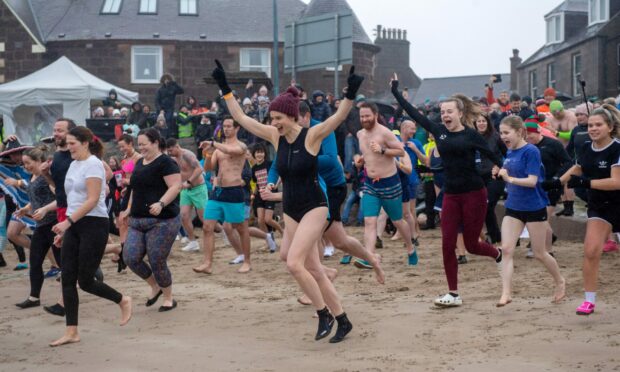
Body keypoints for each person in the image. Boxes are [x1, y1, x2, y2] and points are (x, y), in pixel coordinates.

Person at [210, 60, 364, 343]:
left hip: (315, 207)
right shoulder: (274, 137)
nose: (273, 123)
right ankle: (342, 319)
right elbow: (243, 119)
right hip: (291, 208)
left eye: (279, 118)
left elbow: (338, 117)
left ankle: (323, 314)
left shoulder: (312, 136)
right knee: (314, 269)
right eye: (271, 119)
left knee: (294, 263)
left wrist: (351, 92)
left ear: (292, 117)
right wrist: (225, 89)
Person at [391, 74, 502, 307]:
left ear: (460, 114)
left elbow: (495, 157)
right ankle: (453, 292)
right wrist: (395, 92)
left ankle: (497, 254)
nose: (445, 115)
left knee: (472, 245)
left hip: (474, 193)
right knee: (447, 243)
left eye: (449, 111)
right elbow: (414, 114)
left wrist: (503, 170)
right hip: (450, 195)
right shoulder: (438, 131)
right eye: (443, 112)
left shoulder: (471, 135)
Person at [50, 127, 131, 347]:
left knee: (85, 281)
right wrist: (66, 229)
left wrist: (68, 222)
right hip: (74, 223)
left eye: (72, 143)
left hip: (93, 224)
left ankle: (122, 300)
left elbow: (93, 199)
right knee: (67, 278)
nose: (69, 148)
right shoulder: (73, 164)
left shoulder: (94, 164)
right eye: (67, 144)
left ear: (85, 142)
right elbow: (73, 200)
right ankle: (72, 331)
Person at [544, 104, 620, 316]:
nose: (593, 129)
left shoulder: (617, 148)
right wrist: (557, 182)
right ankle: (589, 300)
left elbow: (616, 182)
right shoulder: (586, 147)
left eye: (599, 125)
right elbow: (578, 168)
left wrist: (587, 183)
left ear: (610, 127)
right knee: (591, 251)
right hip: (600, 207)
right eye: (591, 125)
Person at [495, 116, 565, 306]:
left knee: (540, 252)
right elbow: (508, 170)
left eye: (506, 133)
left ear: (519, 132)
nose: (503, 137)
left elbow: (532, 181)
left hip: (534, 206)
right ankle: (506, 293)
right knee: (507, 250)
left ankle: (559, 281)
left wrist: (509, 179)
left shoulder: (531, 151)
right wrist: (499, 172)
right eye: (501, 133)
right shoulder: (509, 151)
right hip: (513, 206)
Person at [121, 128, 182, 311]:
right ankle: (154, 285)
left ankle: (169, 297)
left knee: (156, 259)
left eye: (144, 144)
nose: (141, 148)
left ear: (155, 142)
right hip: (137, 221)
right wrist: (128, 209)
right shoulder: (139, 162)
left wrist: (161, 203)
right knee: (130, 257)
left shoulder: (166, 163)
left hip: (162, 221)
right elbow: (134, 189)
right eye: (139, 144)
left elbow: (176, 186)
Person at [356, 101, 415, 268]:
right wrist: (361, 160)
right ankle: (369, 257)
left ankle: (410, 248)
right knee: (369, 221)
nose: (364, 119)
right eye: (361, 116)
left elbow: (401, 151)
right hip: (370, 184)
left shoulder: (385, 133)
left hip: (389, 183)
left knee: (398, 220)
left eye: (367, 116)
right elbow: (366, 153)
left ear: (375, 115)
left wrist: (382, 150)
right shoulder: (360, 134)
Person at [194, 116, 252, 274]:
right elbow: (208, 168)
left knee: (241, 228)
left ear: (237, 128)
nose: (226, 129)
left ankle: (246, 261)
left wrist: (213, 144)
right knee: (207, 226)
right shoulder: (219, 149)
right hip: (218, 191)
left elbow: (231, 151)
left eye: (229, 126)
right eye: (224, 126)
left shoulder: (241, 146)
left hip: (234, 191)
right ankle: (207, 263)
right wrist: (207, 154)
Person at [14, 145, 59, 309]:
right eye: (24, 164)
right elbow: (35, 198)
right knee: (35, 261)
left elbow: (60, 198)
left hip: (54, 224)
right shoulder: (33, 177)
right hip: (41, 225)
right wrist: (26, 209)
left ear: (40, 161)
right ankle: (34, 298)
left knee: (63, 262)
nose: (26, 166)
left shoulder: (47, 177)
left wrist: (46, 209)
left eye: (28, 163)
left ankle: (89, 274)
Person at [166, 138, 207, 252]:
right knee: (183, 216)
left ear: (176, 146)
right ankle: (193, 242)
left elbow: (200, 168)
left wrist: (189, 182)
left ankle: (222, 230)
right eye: (168, 151)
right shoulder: (173, 158)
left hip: (198, 188)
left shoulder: (187, 155)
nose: (170, 153)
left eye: (171, 150)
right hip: (186, 190)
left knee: (204, 218)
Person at [475, 113, 507, 244]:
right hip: (478, 177)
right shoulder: (472, 138)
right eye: (478, 121)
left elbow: (508, 154)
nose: (481, 123)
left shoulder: (496, 137)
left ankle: (496, 235)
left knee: (488, 205)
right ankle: (495, 236)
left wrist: (501, 167)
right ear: (475, 124)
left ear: (488, 123)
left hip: (495, 176)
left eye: (484, 121)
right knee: (483, 207)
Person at [250, 143, 282, 237]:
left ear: (265, 153)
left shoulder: (270, 164)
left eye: (261, 152)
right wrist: (254, 195)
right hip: (260, 195)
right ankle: (269, 241)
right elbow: (257, 183)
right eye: (257, 153)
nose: (259, 155)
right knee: (260, 220)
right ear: (254, 154)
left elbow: (279, 174)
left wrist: (276, 184)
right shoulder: (254, 168)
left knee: (268, 219)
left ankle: (281, 231)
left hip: (270, 194)